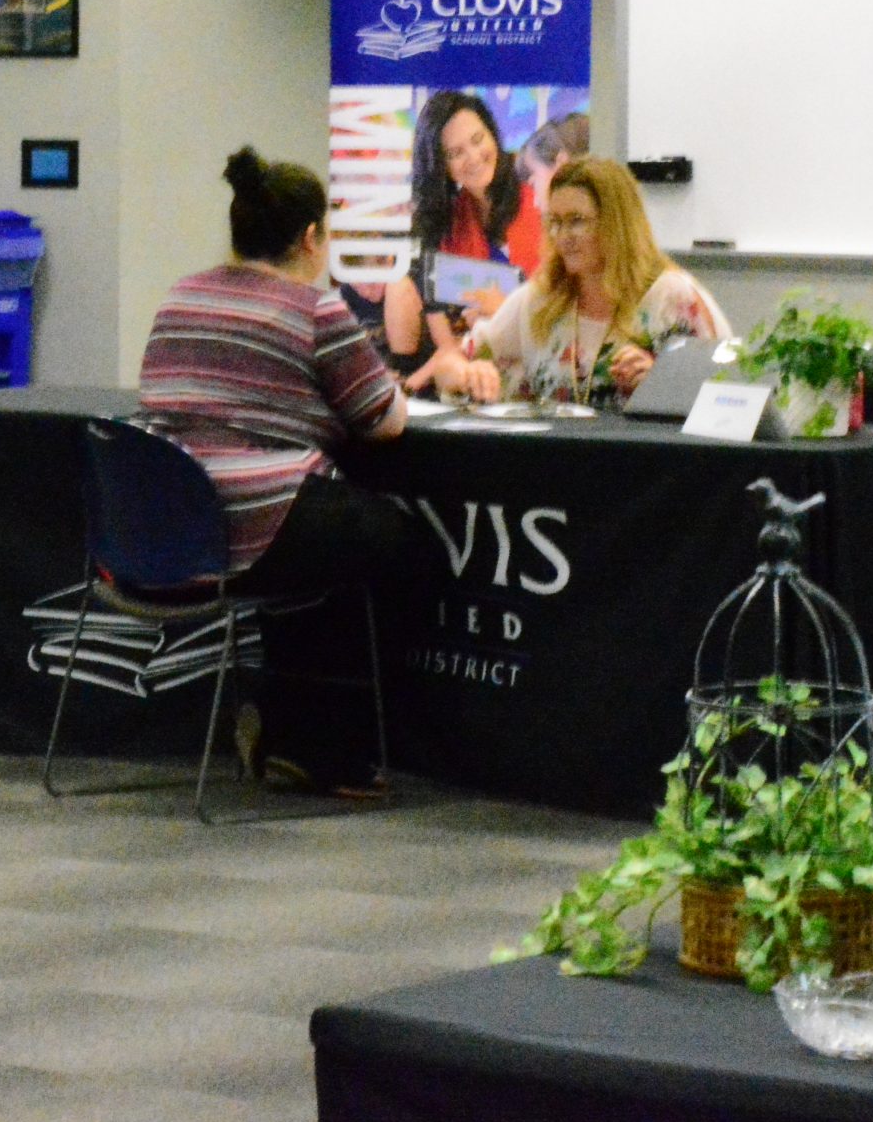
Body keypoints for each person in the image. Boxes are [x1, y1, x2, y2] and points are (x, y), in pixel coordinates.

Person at [137, 147, 436, 797]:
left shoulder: (181, 294)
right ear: (311, 236)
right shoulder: (315, 309)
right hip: (255, 517)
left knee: (322, 556)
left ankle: (291, 736)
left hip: (162, 523)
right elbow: (386, 419)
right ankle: (334, 747)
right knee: (400, 548)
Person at [431, 156, 731, 407]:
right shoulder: (540, 301)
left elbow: (729, 397)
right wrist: (467, 374)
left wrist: (660, 382)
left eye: (577, 221)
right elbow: (449, 363)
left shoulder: (672, 298)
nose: (563, 237)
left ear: (616, 224)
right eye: (555, 222)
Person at [385, 92, 543, 389]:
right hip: (472, 356)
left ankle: (403, 390)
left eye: (477, 139)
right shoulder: (447, 221)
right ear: (440, 166)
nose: (473, 157)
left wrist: (505, 310)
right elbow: (447, 339)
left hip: (537, 344)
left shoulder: (539, 200)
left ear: (493, 135)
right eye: (456, 153)